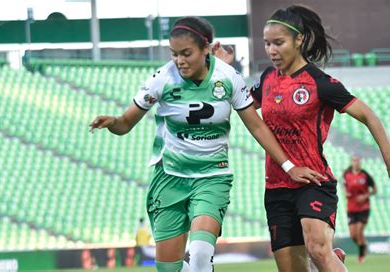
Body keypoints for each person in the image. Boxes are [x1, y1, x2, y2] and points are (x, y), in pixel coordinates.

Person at [89, 16, 321, 272]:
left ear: (206, 48)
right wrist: (112, 122)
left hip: (212, 177)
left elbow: (256, 125)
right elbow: (125, 124)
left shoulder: (228, 77)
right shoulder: (162, 78)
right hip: (168, 179)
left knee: (200, 254)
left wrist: (289, 166)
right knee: (169, 269)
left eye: (186, 53)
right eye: (174, 54)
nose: (179, 61)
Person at [213, 4, 390, 272]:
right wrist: (224, 71)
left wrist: (389, 159)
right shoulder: (267, 79)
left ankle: (324, 260)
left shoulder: (320, 82)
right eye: (266, 44)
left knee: (317, 249)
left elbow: (369, 116)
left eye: (279, 43)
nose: (271, 50)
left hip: (314, 181)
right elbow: (241, 107)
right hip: (277, 187)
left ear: (299, 40)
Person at [343, 155, 377, 263]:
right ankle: (363, 245)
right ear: (351, 162)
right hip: (351, 208)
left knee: (359, 231)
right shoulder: (346, 174)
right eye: (354, 160)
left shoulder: (365, 175)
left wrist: (365, 196)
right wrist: (346, 192)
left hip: (364, 208)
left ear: (360, 162)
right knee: (353, 235)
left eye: (358, 160)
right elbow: (344, 185)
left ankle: (362, 254)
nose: (356, 162)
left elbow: (374, 190)